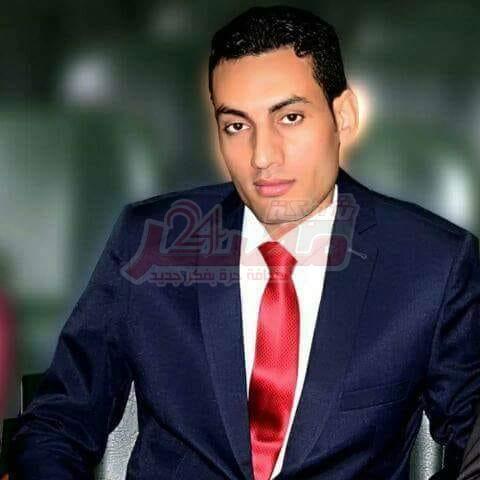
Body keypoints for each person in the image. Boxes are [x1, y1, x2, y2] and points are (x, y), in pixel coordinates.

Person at [9, 5, 480, 480]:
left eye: (290, 117)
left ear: (343, 116)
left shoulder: (432, 265)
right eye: (236, 125)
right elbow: (57, 424)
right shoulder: (149, 241)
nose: (262, 156)